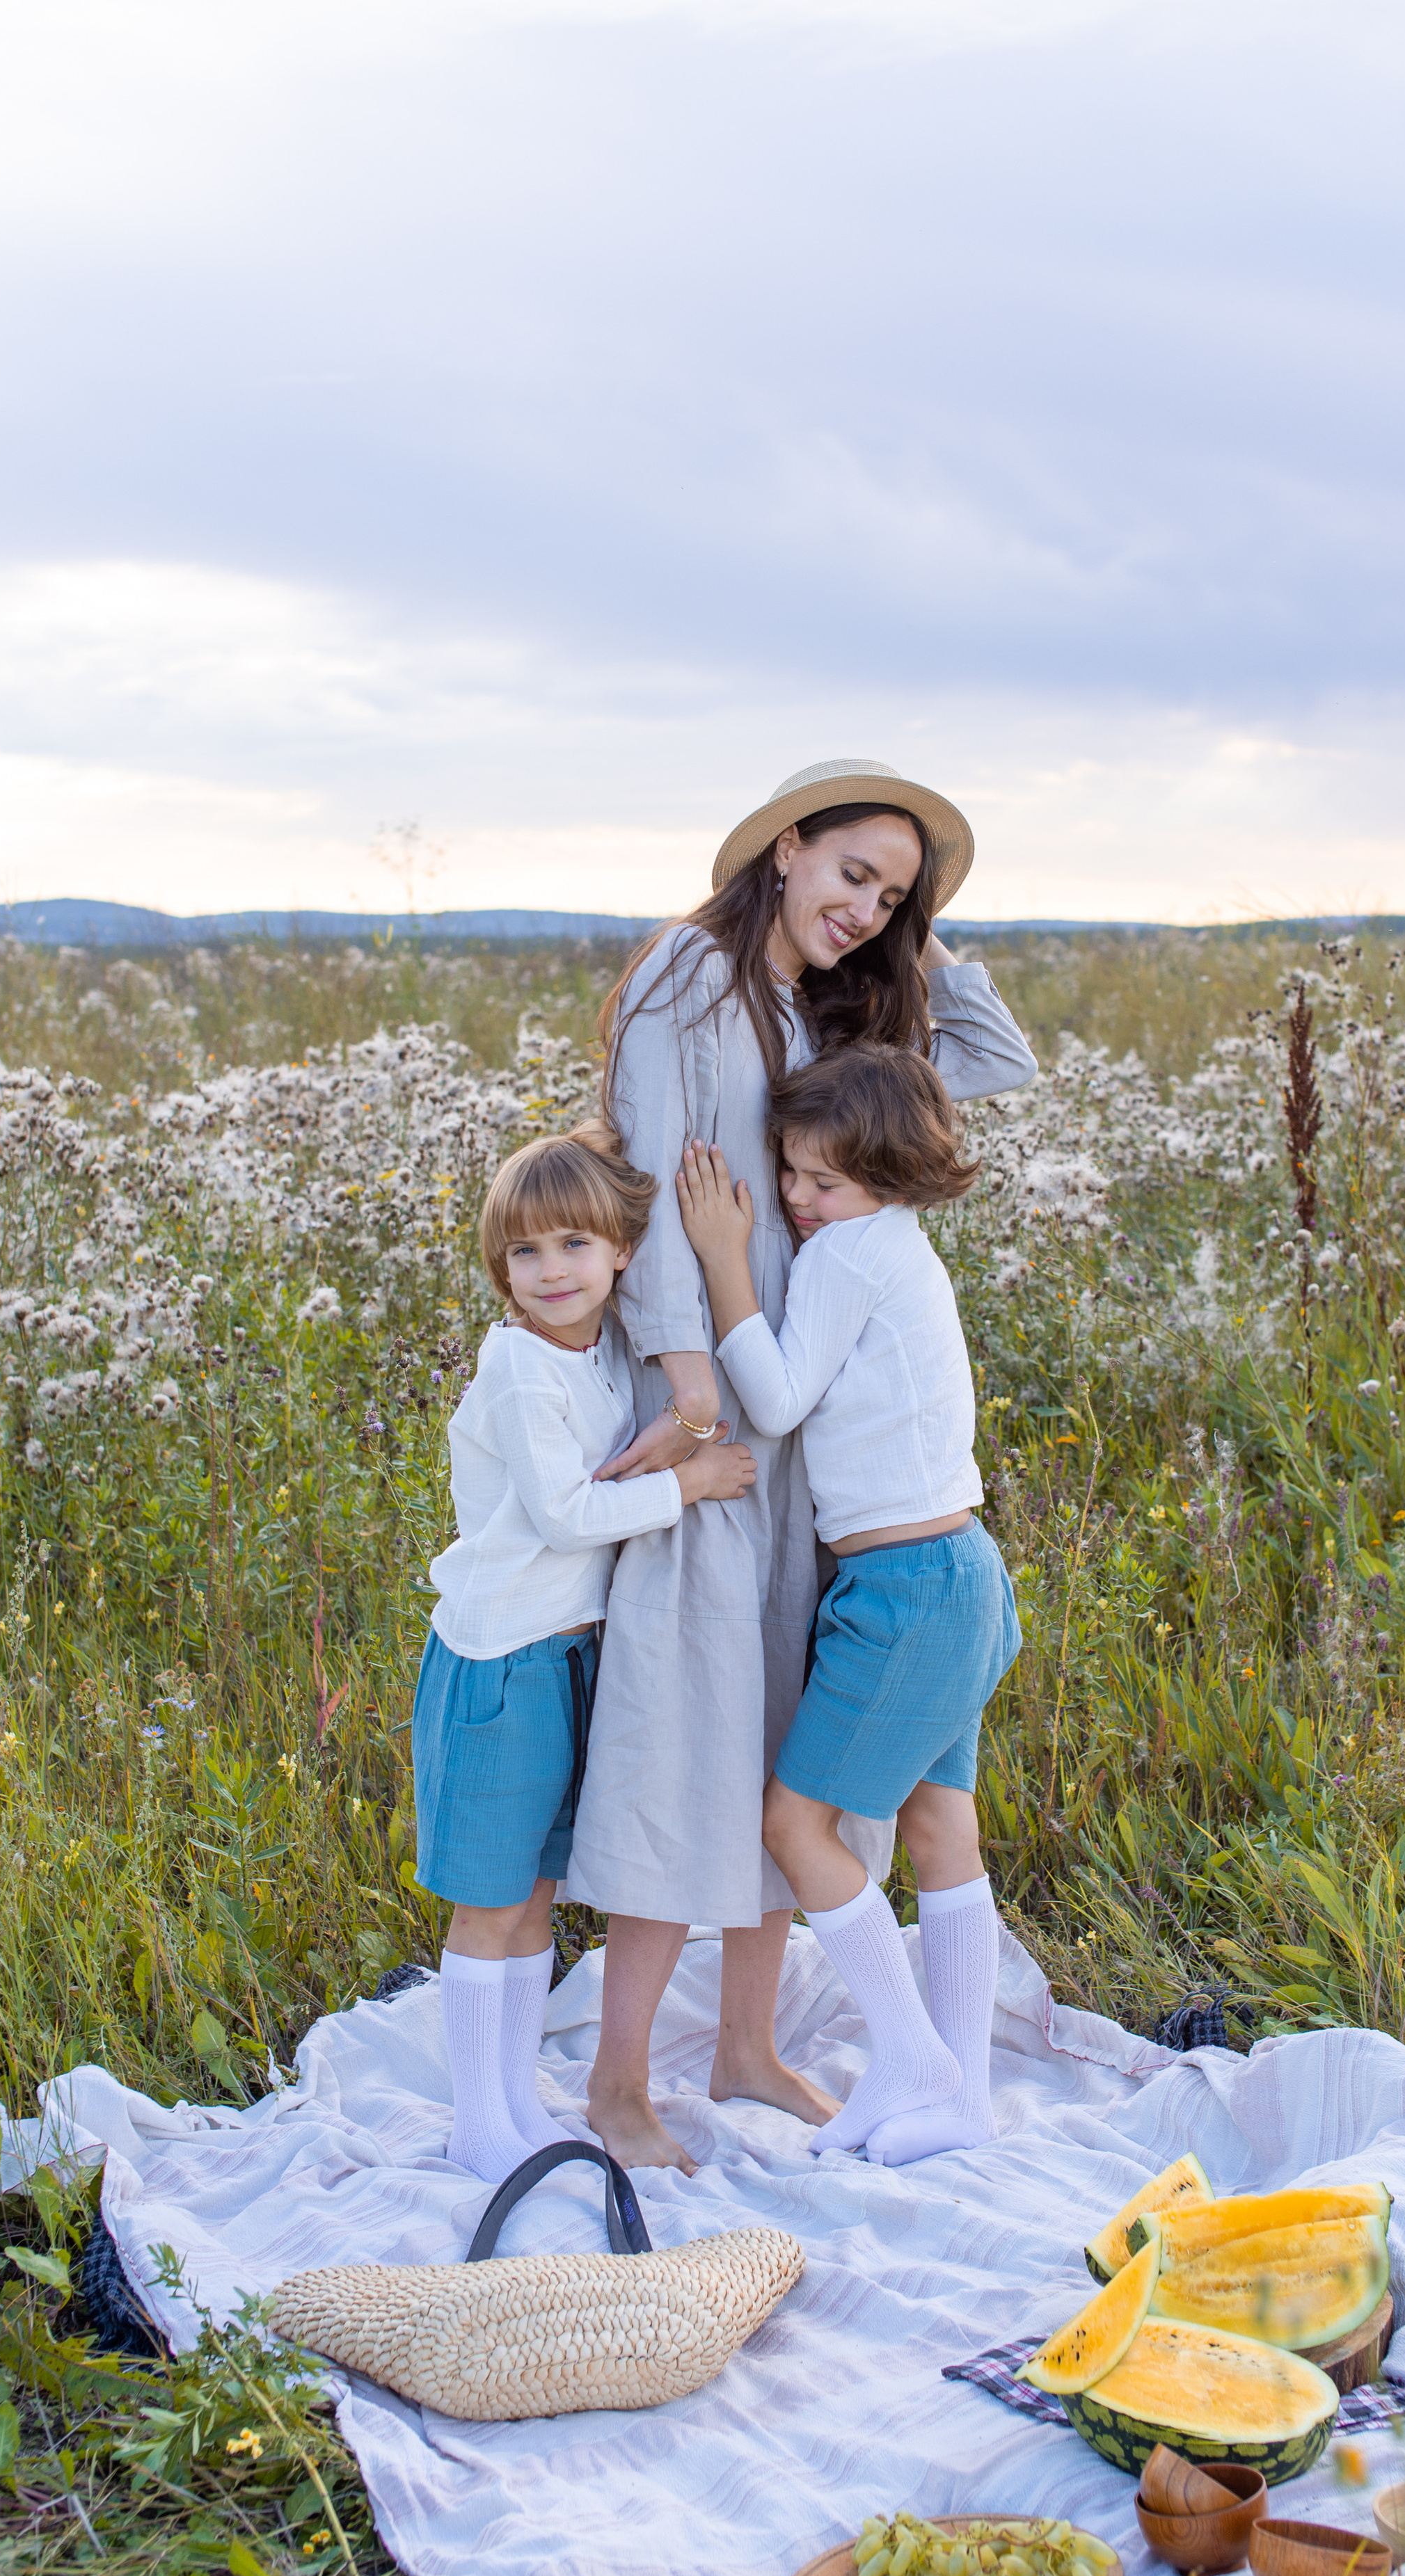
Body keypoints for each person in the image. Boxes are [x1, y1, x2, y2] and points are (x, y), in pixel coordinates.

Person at [562, 759, 1035, 2173]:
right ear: (782, 847)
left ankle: (750, 2046)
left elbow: (993, 1062)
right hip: (716, 1402)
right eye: (848, 873)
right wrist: (688, 1381)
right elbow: (653, 1178)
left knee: (780, 1732)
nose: (864, 908)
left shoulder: (828, 1010)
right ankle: (620, 2082)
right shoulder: (689, 976)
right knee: (681, 1728)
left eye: (890, 894)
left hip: (806, 1431)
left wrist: (910, 938)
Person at [675, 1044, 1020, 2166]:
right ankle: (962, 2095)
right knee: (939, 1827)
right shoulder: (901, 1245)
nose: (796, 1197)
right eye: (790, 1171)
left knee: (793, 1825)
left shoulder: (846, 1254)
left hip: (906, 1590)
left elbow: (775, 1400)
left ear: (892, 1171)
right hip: (961, 1572)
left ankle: (914, 2059)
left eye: (824, 1180)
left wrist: (724, 1259)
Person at [412, 1123, 755, 2182]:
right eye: (525, 1251)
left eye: (574, 1244)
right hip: (502, 1659)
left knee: (536, 1898)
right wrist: (690, 1482)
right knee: (492, 1901)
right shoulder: (519, 1364)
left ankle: (517, 2102)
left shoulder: (602, 1352)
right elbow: (563, 1516)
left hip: (568, 1659)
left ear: (620, 1255)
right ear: (500, 1267)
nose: (551, 1270)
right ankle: (482, 2122)